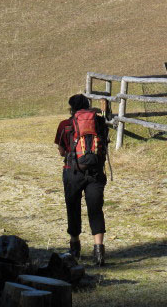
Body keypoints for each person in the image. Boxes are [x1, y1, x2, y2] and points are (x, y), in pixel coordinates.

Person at [54, 94, 108, 265]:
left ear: (72, 108)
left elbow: (62, 151)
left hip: (73, 171)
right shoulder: (99, 122)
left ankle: (75, 247)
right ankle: (98, 252)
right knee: (96, 209)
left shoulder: (65, 125)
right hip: (96, 171)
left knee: (73, 206)